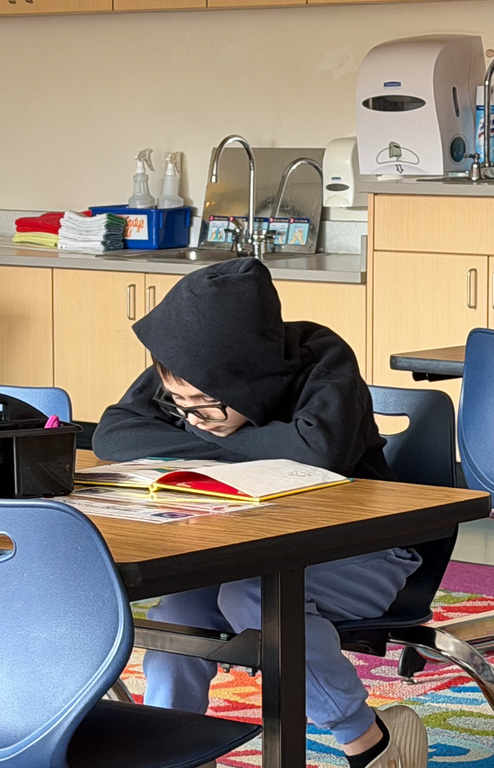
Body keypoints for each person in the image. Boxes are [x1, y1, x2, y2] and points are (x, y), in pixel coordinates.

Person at [92, 258, 426, 768]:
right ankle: (172, 745)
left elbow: (317, 453)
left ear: (247, 379)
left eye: (205, 405)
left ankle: (369, 739)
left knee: (255, 595)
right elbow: (115, 435)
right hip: (241, 542)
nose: (193, 417)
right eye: (180, 406)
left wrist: (190, 442)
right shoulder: (183, 366)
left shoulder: (324, 357)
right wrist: (251, 442)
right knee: (180, 607)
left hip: (363, 547)